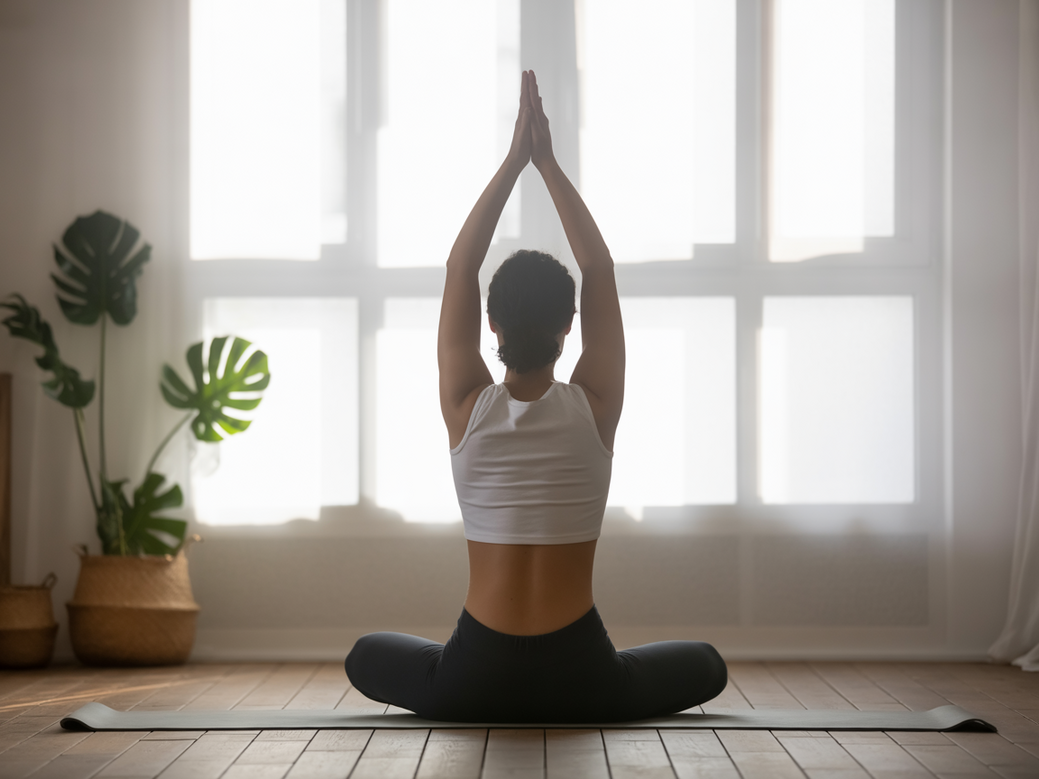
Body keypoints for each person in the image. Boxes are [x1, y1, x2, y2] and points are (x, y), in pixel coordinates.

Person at [345, 70, 727, 723]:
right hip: (583, 678)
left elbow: (459, 268)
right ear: (568, 327)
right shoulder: (595, 407)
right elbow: (599, 268)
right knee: (707, 663)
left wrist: (513, 162)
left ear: (490, 324)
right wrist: (547, 164)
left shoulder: (466, 408)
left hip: (471, 677)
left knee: (364, 654)